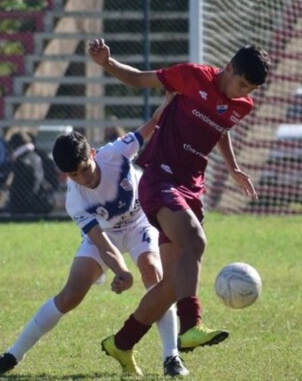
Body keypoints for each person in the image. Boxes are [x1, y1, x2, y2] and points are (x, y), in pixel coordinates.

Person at [88, 38, 271, 374]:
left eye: (251, 89)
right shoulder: (191, 76)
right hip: (160, 177)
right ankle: (191, 327)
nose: (243, 92)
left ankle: (122, 342)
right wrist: (107, 63)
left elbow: (221, 126)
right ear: (228, 68)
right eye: (242, 83)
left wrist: (231, 166)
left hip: (191, 187)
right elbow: (139, 79)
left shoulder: (242, 104)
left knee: (172, 284)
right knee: (196, 241)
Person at [0, 93, 189, 378]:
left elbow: (153, 123)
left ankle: (171, 358)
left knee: (154, 275)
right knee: (70, 295)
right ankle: (12, 355)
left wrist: (171, 98)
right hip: (107, 234)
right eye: (72, 176)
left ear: (93, 154)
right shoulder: (75, 200)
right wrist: (121, 271)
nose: (82, 179)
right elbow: (101, 242)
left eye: (83, 170)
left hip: (140, 222)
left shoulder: (116, 153)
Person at [7, 132, 53, 215]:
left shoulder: (21, 161)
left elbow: (18, 187)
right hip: (40, 201)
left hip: (23, 204)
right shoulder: (37, 157)